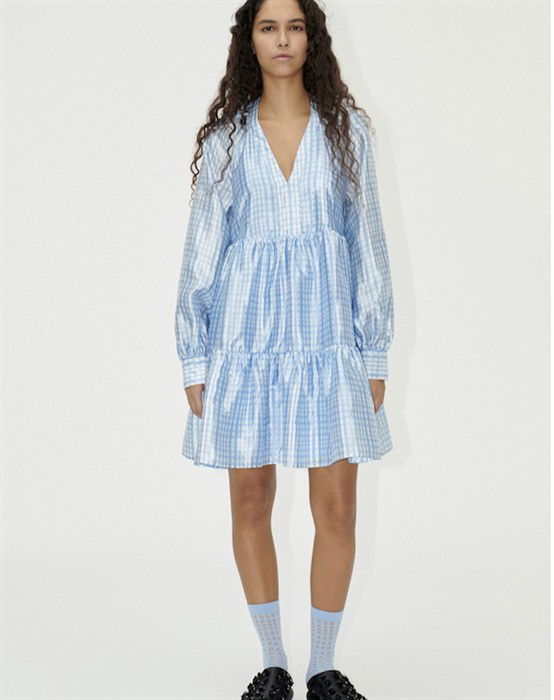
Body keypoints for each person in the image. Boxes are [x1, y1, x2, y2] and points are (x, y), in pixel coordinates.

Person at [174, 0, 394, 697]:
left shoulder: (348, 131)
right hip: (244, 345)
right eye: (268, 27)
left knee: (338, 507)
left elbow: (368, 240)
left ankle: (323, 667)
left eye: (295, 26)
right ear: (250, 40)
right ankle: (273, 663)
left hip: (328, 344)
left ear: (312, 38)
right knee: (251, 499)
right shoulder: (227, 142)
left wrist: (375, 350)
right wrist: (194, 355)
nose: (282, 39)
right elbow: (203, 251)